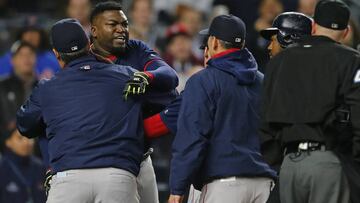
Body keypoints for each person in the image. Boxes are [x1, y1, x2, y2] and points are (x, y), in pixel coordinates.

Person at [16, 18, 171, 203]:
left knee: (43, 123)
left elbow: (25, 125)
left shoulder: (47, 88)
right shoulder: (126, 75)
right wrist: (142, 127)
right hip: (117, 177)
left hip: (68, 179)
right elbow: (172, 99)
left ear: (56, 54)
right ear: (90, 44)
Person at [168, 15, 276, 203]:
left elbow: (192, 137)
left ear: (214, 42)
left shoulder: (203, 80)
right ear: (242, 45)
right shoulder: (264, 81)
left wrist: (177, 188)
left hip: (226, 184)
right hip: (264, 183)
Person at [260, 0, 360, 202]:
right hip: (330, 162)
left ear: (313, 26)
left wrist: (280, 161)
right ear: (346, 31)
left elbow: (263, 119)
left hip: (289, 165)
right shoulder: (352, 60)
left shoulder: (279, 61)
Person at [89, 2, 178, 203]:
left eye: (125, 24)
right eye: (113, 24)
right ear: (94, 31)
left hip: (141, 157)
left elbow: (169, 75)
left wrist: (146, 77)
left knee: (179, 100)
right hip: (101, 158)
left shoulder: (135, 49)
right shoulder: (84, 59)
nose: (121, 29)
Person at [0, 127, 46, 203]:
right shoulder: (2, 168)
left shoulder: (40, 167)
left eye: (30, 137)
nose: (27, 142)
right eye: (20, 138)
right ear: (8, 142)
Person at [0, 41, 38, 134]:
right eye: (21, 55)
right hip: (7, 144)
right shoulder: (2, 86)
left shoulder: (43, 87)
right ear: (12, 60)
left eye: (30, 54)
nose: (27, 58)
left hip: (37, 144)